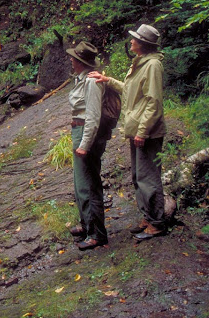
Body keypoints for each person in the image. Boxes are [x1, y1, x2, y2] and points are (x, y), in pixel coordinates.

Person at [89, 24, 166, 240]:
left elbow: (153, 102)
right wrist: (108, 81)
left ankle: (157, 223)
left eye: (134, 39)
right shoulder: (140, 64)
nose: (131, 41)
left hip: (147, 131)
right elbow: (131, 91)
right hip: (137, 130)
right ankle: (148, 217)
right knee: (138, 176)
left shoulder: (152, 66)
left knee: (148, 177)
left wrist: (143, 131)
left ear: (143, 44)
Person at [66, 41, 109, 250]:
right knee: (80, 183)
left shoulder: (91, 83)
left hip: (86, 133)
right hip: (79, 131)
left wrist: (84, 144)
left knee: (89, 185)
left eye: (74, 58)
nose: (71, 60)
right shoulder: (81, 79)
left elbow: (93, 116)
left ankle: (97, 234)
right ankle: (86, 224)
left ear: (81, 62)